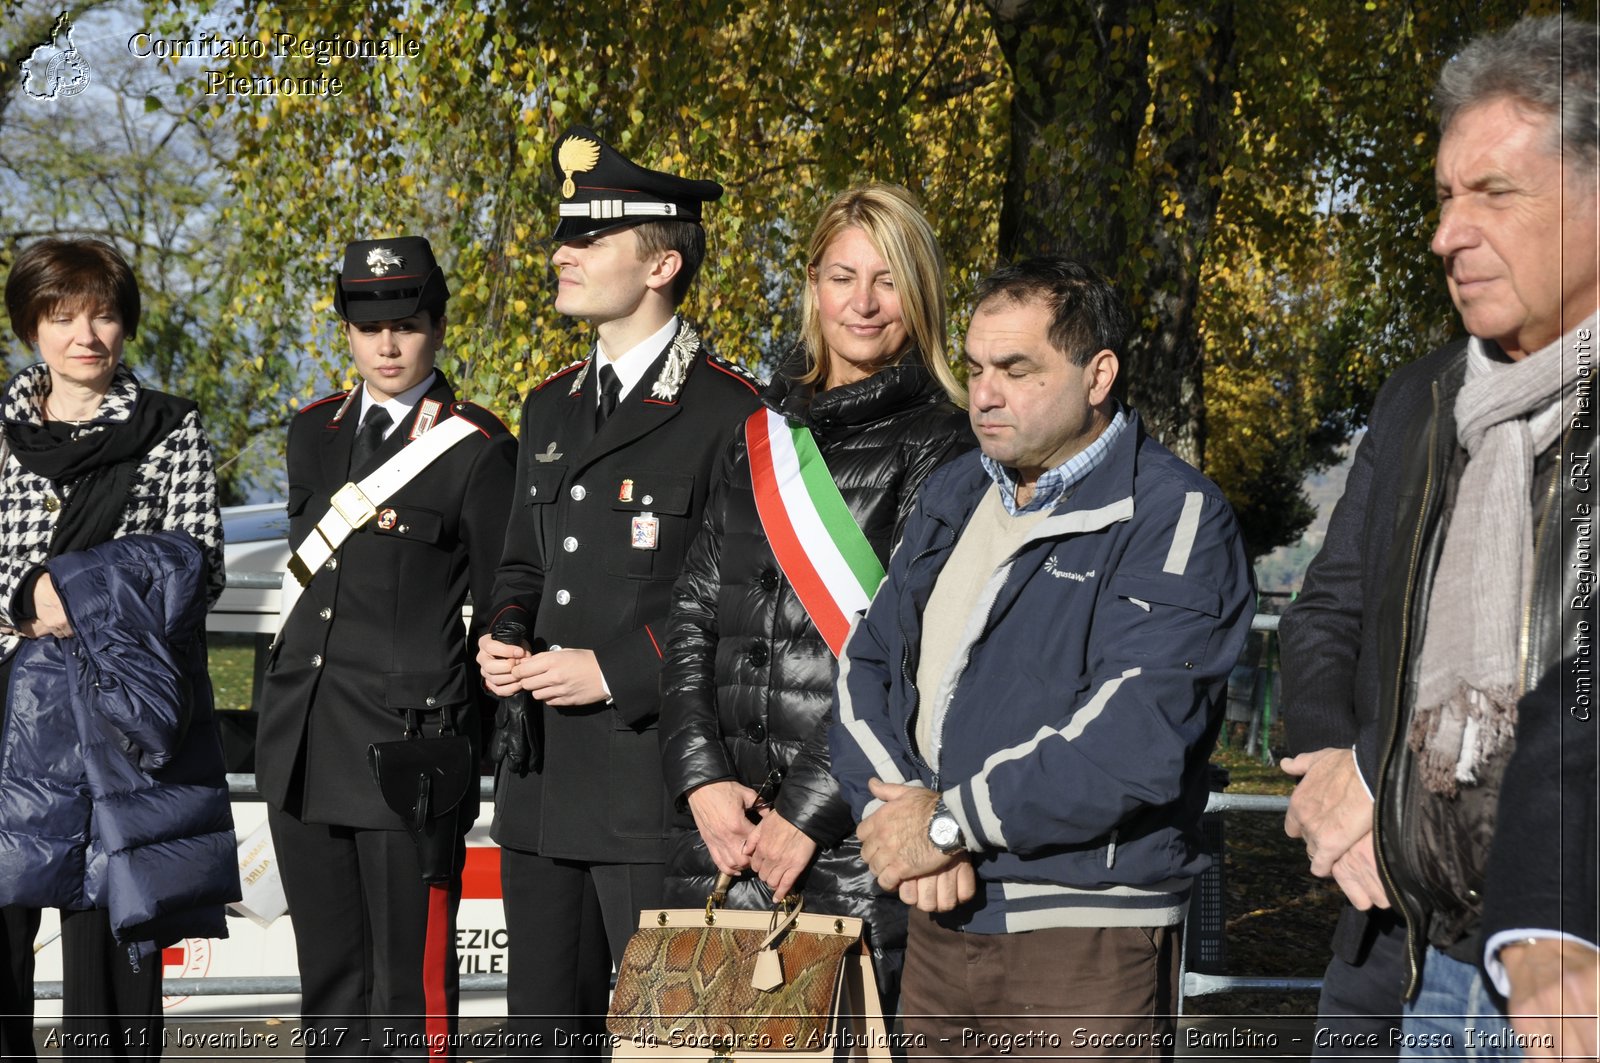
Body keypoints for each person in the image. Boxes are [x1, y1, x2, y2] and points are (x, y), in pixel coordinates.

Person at [830, 257, 1255, 1057]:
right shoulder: (956, 492)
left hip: (1082, 935)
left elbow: (1136, 736)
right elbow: (866, 665)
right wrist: (899, 818)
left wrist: (949, 824)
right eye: (976, 368)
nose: (984, 393)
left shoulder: (1174, 515)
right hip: (938, 917)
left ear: (1099, 376)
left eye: (1017, 369)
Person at [1279, 14, 1598, 1060]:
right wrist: (1337, 774)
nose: (1444, 234)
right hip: (1396, 948)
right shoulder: (1422, 400)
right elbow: (1327, 613)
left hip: (1564, 973)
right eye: (1443, 196)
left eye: (1492, 194)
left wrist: (1556, 906)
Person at [476, 126, 761, 1053]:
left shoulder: (735, 412)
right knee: (539, 1037)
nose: (562, 254)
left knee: (665, 1042)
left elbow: (746, 604)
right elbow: (522, 564)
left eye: (589, 240)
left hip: (653, 790)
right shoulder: (549, 403)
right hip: (542, 783)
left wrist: (615, 671)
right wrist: (504, 632)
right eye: (565, 236)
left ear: (661, 263)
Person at [658, 183, 972, 1009]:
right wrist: (701, 781)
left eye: (887, 280)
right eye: (842, 276)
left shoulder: (946, 443)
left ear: (922, 294)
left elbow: (911, 655)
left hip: (846, 842)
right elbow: (691, 616)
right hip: (719, 833)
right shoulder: (756, 435)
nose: (862, 303)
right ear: (813, 285)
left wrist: (804, 813)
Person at [255, 235, 516, 1058]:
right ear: (348, 332)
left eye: (406, 324)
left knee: (410, 995)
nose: (389, 345)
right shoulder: (312, 434)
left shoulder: (477, 447)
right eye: (370, 328)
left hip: (407, 756)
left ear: (437, 327)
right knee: (329, 986)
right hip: (305, 742)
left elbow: (511, 591)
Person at [0, 236, 236, 1061]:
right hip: (11, 712)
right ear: (33, 326)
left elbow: (200, 567)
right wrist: (21, 598)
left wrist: (82, 593)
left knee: (113, 931)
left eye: (102, 313)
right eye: (63, 316)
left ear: (125, 325)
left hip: (119, 715)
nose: (85, 334)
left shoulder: (169, 428)